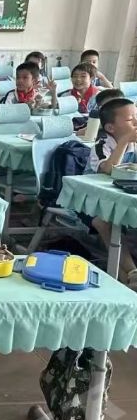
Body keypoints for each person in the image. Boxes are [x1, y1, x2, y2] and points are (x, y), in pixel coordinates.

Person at [85, 98, 137, 289]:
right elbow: (108, 169)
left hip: (122, 199)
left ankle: (128, 280)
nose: (136, 123)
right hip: (92, 202)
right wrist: (123, 142)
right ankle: (132, 272)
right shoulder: (102, 145)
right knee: (104, 221)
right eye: (131, 120)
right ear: (110, 128)